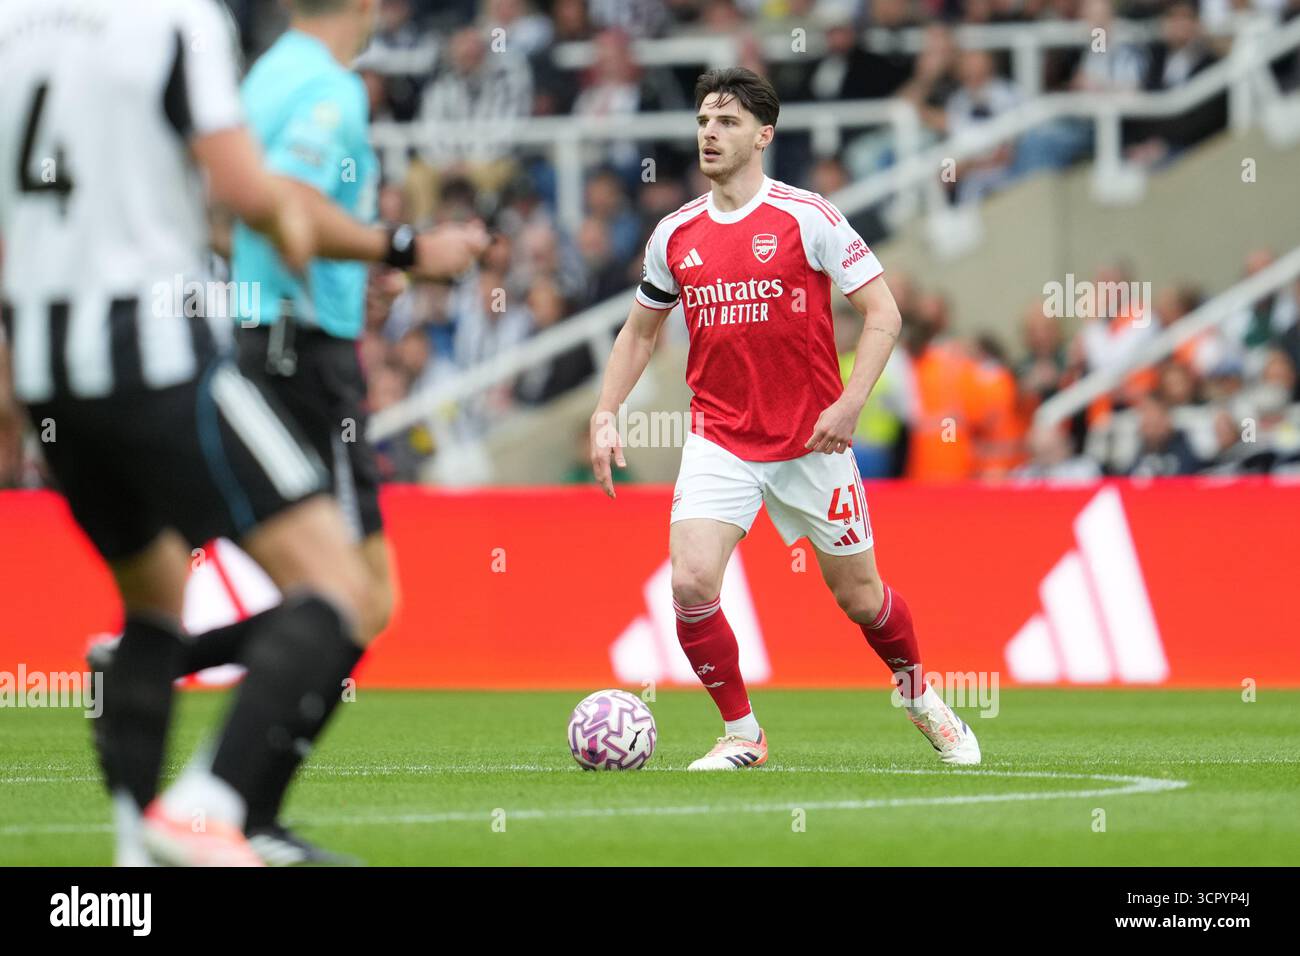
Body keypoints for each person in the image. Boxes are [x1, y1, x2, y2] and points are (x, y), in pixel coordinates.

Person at [0, 0, 376, 866]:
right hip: (161, 357)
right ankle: (207, 805)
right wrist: (289, 226)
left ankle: (135, 858)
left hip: (50, 369)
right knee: (337, 585)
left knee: (153, 604)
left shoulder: (15, 27)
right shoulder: (177, 20)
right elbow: (242, 190)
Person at [589, 68, 980, 771]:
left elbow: (884, 315)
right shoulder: (676, 234)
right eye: (705, 120)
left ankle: (922, 698)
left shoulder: (809, 217)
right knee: (690, 582)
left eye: (728, 122)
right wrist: (605, 412)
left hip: (811, 440)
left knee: (861, 599)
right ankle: (744, 735)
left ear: (763, 135)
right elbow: (639, 333)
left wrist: (850, 402)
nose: (711, 132)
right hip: (719, 437)